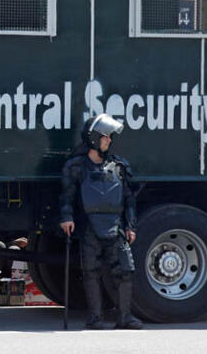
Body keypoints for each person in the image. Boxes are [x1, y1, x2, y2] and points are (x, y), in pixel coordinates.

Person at [59, 113, 143, 330]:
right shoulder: (76, 166)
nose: (109, 140)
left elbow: (128, 199)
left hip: (116, 226)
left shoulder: (119, 166)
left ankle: (125, 317)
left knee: (125, 271)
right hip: (89, 226)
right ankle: (95, 318)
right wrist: (67, 218)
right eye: (105, 136)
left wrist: (130, 226)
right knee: (91, 271)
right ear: (94, 138)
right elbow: (66, 196)